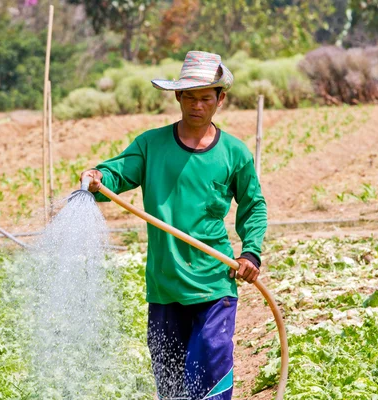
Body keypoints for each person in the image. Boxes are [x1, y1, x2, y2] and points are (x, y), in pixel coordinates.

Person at [80, 51, 267, 400]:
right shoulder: (151, 145)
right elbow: (118, 173)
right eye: (191, 97)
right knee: (171, 384)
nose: (198, 105)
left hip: (215, 283)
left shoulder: (234, 153)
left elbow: (253, 206)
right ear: (178, 97)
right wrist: (99, 176)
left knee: (210, 373)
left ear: (220, 100)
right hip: (165, 287)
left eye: (206, 98)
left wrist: (251, 253)